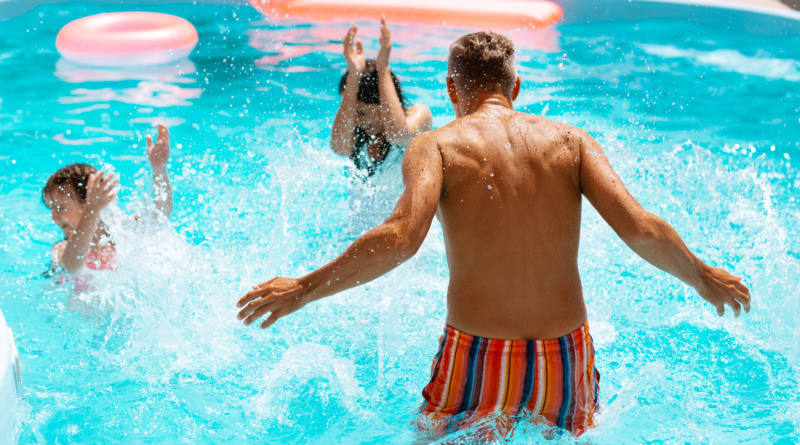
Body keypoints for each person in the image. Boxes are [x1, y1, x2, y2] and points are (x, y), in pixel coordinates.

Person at [237, 32, 751, 438]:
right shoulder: (571, 142)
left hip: (478, 355)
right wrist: (702, 276)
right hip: (565, 356)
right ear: (516, 87)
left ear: (451, 90)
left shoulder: (437, 146)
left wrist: (302, 288)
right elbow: (641, 227)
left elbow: (400, 238)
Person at [43, 124, 173, 275]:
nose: (53, 217)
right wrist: (92, 210)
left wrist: (159, 169)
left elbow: (160, 215)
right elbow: (73, 266)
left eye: (60, 208)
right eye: (51, 208)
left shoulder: (123, 232)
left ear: (89, 202)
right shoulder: (61, 249)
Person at [331, 18, 432, 177]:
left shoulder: (419, 116)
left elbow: (398, 135)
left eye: (361, 112)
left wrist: (383, 67)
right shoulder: (358, 137)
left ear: (382, 103)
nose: (356, 120)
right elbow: (338, 148)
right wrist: (353, 76)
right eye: (351, 111)